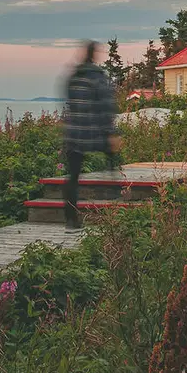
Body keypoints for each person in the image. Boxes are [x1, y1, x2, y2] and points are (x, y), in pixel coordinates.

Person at [63, 41, 120, 231]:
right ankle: (116, 196)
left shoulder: (73, 77)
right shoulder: (97, 77)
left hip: (74, 133)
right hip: (94, 132)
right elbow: (105, 106)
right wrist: (110, 132)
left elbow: (70, 104)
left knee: (73, 176)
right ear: (94, 54)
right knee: (112, 160)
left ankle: (71, 219)